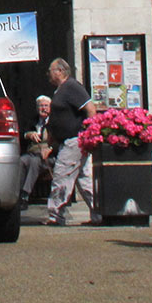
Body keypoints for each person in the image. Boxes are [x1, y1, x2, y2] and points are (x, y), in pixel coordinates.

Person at [41, 57, 99, 226]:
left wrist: (89, 135)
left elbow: (90, 110)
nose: (48, 75)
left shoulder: (72, 87)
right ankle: (100, 214)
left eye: (50, 71)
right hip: (67, 141)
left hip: (75, 141)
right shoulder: (60, 90)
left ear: (60, 71)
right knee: (84, 180)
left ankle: (56, 216)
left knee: (61, 175)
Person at [17, 95, 54, 203]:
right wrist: (28, 135)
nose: (44, 108)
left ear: (50, 108)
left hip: (48, 157)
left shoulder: (54, 122)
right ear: (37, 108)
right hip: (32, 153)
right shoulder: (31, 121)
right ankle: (17, 192)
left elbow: (60, 140)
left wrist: (50, 149)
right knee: (21, 161)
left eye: (46, 106)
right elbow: (21, 134)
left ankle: (25, 195)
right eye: (41, 106)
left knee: (34, 162)